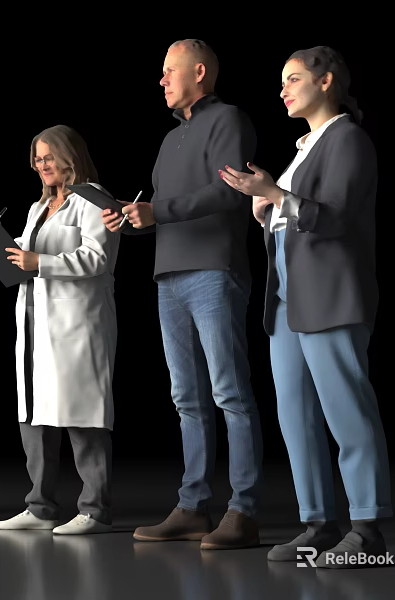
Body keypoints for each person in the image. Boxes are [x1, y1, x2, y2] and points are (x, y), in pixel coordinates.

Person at [219, 46, 391, 568]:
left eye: (294, 79)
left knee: (346, 410)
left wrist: (274, 192)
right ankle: (317, 522)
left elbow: (334, 219)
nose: (283, 89)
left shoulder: (348, 140)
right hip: (288, 300)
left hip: (330, 296)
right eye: (282, 81)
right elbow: (296, 219)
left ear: (327, 81)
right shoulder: (303, 148)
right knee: (295, 415)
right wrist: (267, 206)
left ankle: (367, 526)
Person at [101, 39, 263, 550]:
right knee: (186, 398)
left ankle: (243, 510)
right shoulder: (170, 140)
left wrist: (158, 212)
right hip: (168, 277)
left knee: (229, 393)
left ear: (199, 71)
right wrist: (128, 219)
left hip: (214, 271)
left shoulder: (228, 119)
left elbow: (230, 189)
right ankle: (193, 506)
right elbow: (161, 211)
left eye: (170, 71)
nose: (162, 80)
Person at [0, 125, 120, 535]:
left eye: (49, 157)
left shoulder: (93, 198)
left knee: (82, 412)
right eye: (37, 158)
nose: (41, 165)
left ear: (69, 156)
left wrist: (39, 263)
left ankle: (95, 509)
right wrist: (2, 249)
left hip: (76, 323)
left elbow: (97, 258)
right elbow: (27, 254)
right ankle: (40, 505)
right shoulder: (38, 207)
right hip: (34, 321)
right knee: (35, 413)